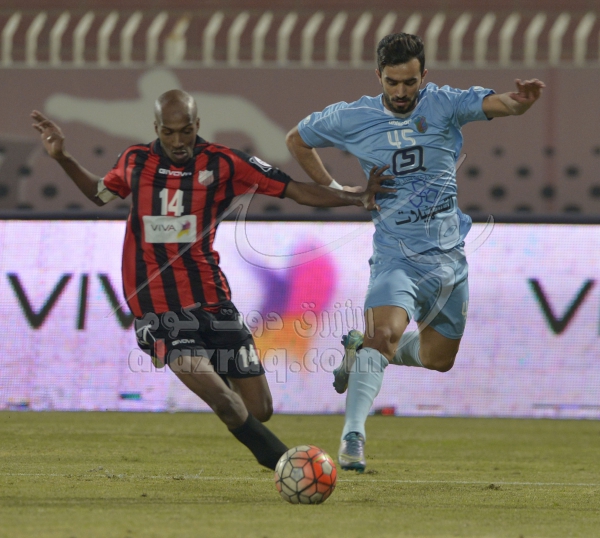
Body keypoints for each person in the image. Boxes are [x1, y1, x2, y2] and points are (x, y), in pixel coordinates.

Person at [31, 89, 391, 470]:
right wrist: (63, 158)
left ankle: (210, 370)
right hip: (160, 313)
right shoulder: (135, 161)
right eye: (169, 132)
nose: (178, 141)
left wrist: (355, 197)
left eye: (185, 131)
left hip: (213, 303)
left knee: (259, 408)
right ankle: (289, 465)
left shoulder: (224, 163)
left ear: (197, 125)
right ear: (156, 128)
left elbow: (295, 190)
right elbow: (100, 193)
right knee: (225, 401)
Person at [286, 33, 545, 471]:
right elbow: (297, 139)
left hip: (447, 261)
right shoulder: (352, 117)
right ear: (378, 76)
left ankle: (359, 351)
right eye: (393, 82)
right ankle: (353, 437)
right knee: (383, 336)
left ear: (424, 75)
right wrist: (341, 190)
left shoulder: (444, 104)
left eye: (410, 82)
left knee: (438, 359)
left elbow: (502, 104)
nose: (402, 91)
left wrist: (522, 102)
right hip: (396, 258)